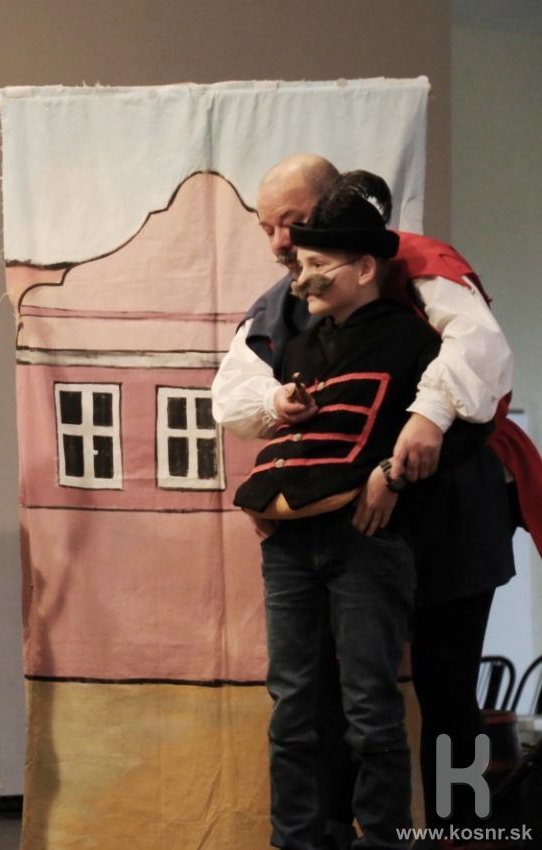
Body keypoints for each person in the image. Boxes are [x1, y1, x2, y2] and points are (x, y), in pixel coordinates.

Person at [213, 155, 531, 841]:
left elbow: (478, 356)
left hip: (447, 516)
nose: (281, 243)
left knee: (450, 694)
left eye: (294, 222)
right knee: (327, 697)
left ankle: (463, 833)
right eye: (268, 228)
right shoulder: (286, 302)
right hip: (347, 529)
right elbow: (237, 391)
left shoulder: (420, 266)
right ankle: (329, 830)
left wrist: (423, 426)